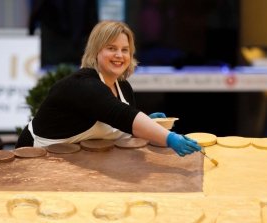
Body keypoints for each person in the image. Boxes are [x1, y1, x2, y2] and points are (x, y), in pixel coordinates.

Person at [16, 20, 202, 157]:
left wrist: (146, 125)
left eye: (125, 49)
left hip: (73, 159)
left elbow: (122, 123)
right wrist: (170, 138)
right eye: (111, 48)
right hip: (36, 154)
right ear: (96, 52)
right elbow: (121, 115)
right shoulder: (83, 85)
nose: (119, 55)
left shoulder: (123, 87)